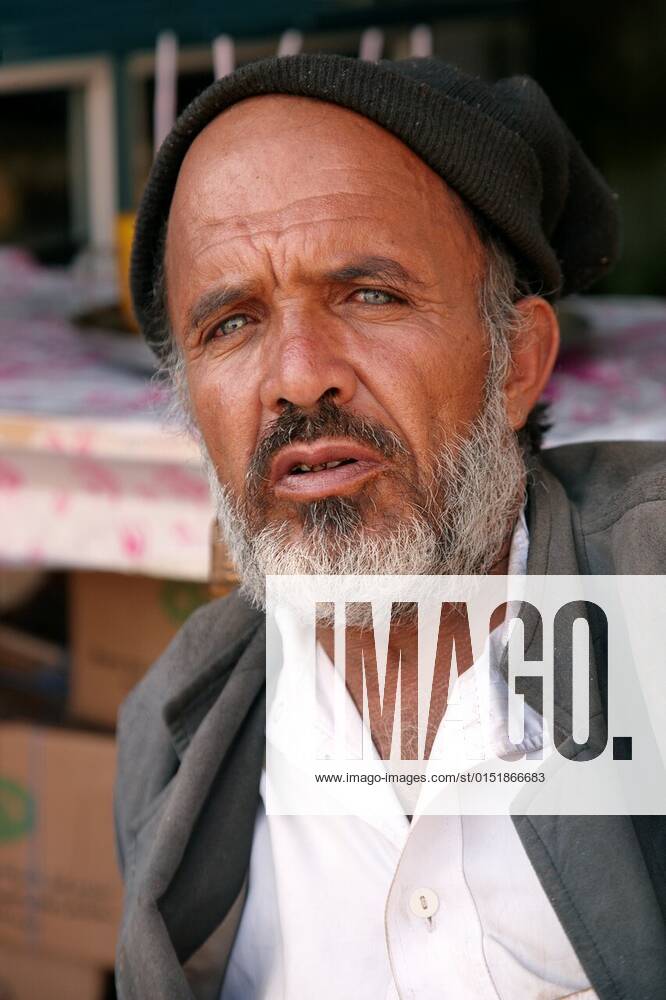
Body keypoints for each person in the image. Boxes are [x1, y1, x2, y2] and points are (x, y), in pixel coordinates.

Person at [114, 54, 666, 1000]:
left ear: (518, 364)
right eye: (232, 324)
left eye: (370, 295)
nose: (296, 374)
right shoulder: (176, 741)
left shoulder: (645, 605)